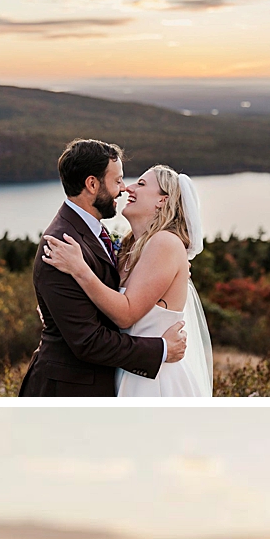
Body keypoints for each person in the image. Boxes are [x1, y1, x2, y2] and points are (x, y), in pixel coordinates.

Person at [18, 139, 188, 397]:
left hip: (128, 381)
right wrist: (162, 349)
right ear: (92, 184)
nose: (123, 188)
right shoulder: (62, 244)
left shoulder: (103, 235)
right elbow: (88, 341)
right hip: (68, 391)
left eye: (134, 183)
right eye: (117, 180)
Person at [40, 165, 214, 399]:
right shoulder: (128, 247)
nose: (128, 188)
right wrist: (56, 307)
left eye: (141, 184)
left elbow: (125, 314)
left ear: (163, 201)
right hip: (129, 369)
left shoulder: (165, 243)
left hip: (155, 380)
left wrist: (79, 269)